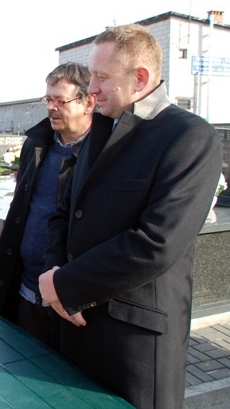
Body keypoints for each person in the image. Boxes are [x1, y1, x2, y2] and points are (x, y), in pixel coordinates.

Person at [39, 24, 222, 408]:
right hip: (74, 323)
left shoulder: (190, 137)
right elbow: (65, 212)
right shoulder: (100, 130)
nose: (93, 89)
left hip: (132, 342)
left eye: (102, 78)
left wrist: (67, 286)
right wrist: (56, 281)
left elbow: (157, 243)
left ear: (140, 77)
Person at [0, 62, 97, 349]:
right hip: (25, 292)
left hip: (69, 301)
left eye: (61, 100)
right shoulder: (36, 145)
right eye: (48, 99)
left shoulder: (102, 154)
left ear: (88, 103)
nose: (51, 107)